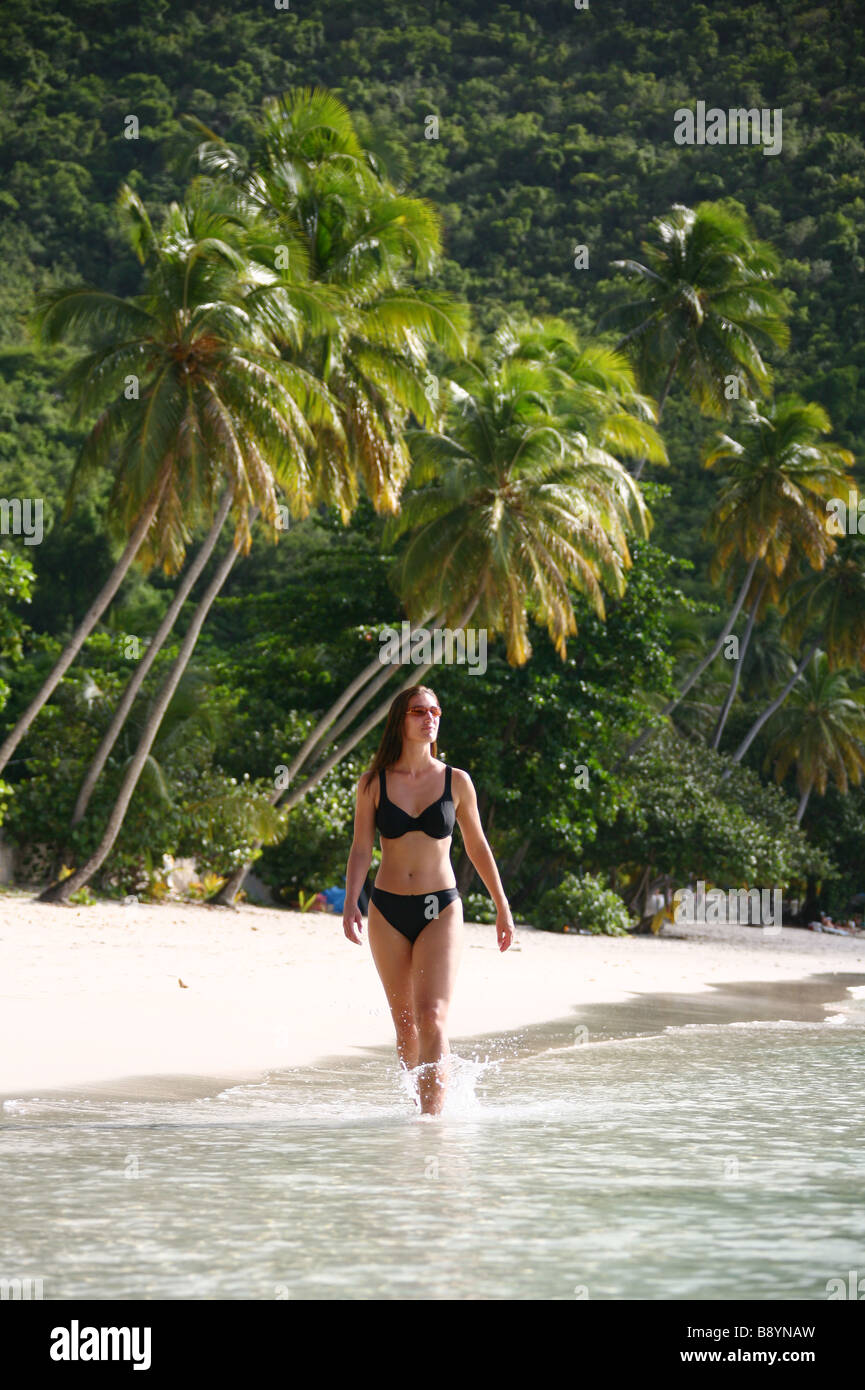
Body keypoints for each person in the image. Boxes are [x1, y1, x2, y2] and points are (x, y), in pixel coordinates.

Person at [342, 684, 514, 1115]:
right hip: (387, 908)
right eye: (419, 711)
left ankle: (431, 1124)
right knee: (405, 1027)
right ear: (401, 720)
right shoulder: (373, 784)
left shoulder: (457, 781)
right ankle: (418, 1108)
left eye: (435, 710)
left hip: (441, 906)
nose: (429, 718)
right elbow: (362, 847)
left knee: (432, 1016)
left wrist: (502, 905)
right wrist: (350, 902)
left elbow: (477, 846)